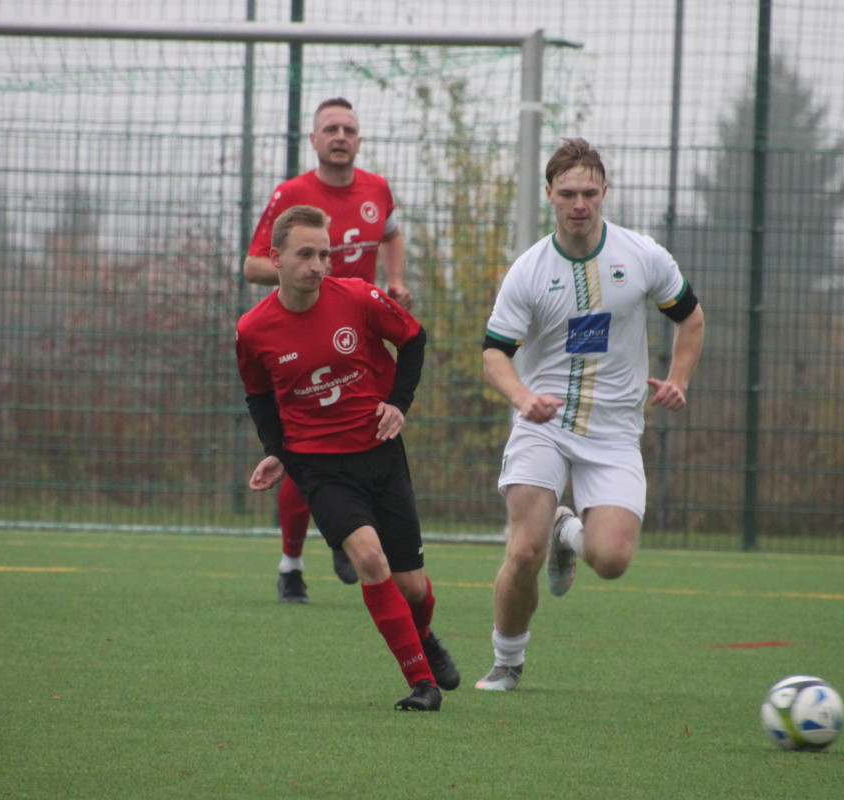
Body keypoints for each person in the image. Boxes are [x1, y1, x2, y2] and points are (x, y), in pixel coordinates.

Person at [475, 138, 706, 691]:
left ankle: (567, 533)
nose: (579, 204)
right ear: (549, 195)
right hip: (544, 426)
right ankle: (508, 661)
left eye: (589, 193)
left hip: (614, 432)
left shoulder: (642, 255)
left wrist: (678, 381)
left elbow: (691, 319)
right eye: (568, 193)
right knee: (523, 549)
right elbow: (493, 353)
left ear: (604, 192)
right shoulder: (529, 271)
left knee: (611, 559)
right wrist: (522, 398)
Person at [236, 204, 458, 711]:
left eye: (325, 254)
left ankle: (422, 638)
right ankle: (423, 683)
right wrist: (278, 454)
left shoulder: (358, 297)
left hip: (380, 454)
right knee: (369, 559)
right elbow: (260, 398)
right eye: (305, 254)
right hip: (319, 466)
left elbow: (415, 339)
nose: (317, 265)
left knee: (413, 588)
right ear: (276, 258)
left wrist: (397, 405)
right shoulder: (253, 330)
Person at [244, 96, 413, 602]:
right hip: (305, 343)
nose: (340, 136)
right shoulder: (291, 196)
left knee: (372, 439)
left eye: (349, 129)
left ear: (359, 140)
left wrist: (396, 280)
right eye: (330, 129)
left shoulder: (377, 190)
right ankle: (292, 564)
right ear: (314, 141)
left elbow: (392, 232)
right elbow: (253, 265)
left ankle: (349, 529)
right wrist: (306, 271)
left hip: (362, 343)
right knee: (304, 449)